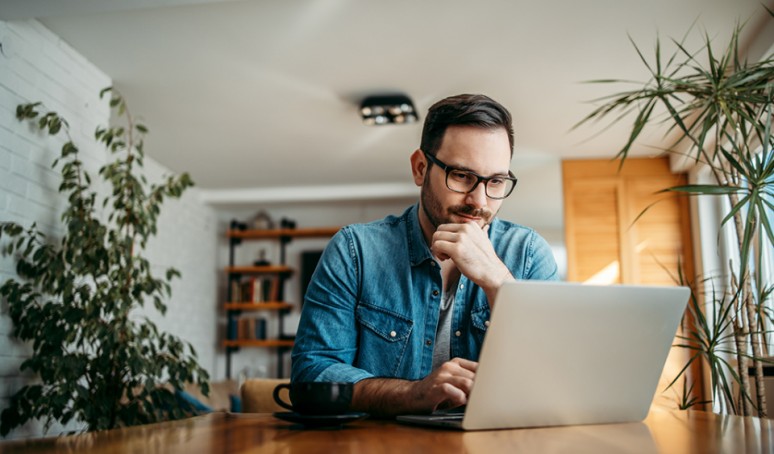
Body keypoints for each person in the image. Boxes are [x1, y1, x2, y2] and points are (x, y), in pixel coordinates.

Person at [291, 94, 559, 417]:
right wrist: (413, 394)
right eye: (461, 176)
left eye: (496, 181)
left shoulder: (529, 255)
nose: (480, 201)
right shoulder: (354, 252)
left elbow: (557, 384)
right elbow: (312, 375)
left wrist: (498, 283)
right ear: (420, 168)